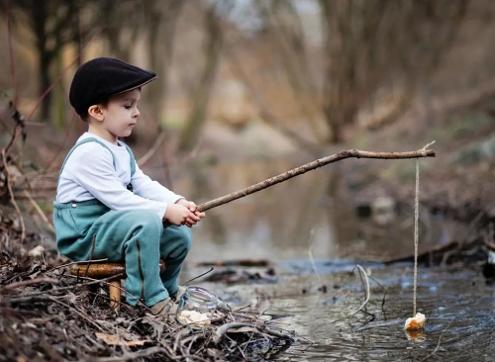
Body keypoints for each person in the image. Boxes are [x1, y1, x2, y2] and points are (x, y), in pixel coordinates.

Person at [52, 57, 205, 317]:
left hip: (110, 227)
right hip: (84, 235)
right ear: (97, 112)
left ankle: (168, 291)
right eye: (127, 106)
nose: (137, 112)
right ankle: (150, 298)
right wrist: (164, 210)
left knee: (179, 236)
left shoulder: (120, 149)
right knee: (146, 222)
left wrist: (177, 202)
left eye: (136, 105)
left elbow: (142, 184)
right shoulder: (89, 152)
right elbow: (119, 199)